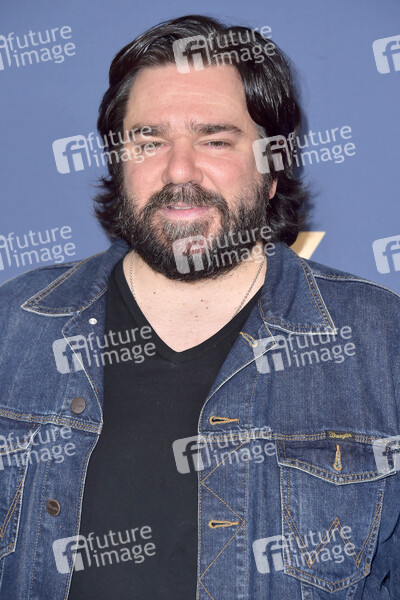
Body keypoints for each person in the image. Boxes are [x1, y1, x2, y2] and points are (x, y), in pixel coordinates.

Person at [0, 13, 399, 600]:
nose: (178, 170)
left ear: (272, 167)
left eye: (215, 140)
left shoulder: (381, 344)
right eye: (149, 141)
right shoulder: (13, 328)